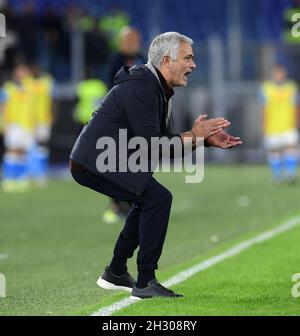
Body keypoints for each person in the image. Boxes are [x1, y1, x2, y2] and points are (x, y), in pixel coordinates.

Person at [69, 32, 241, 299]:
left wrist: (203, 141)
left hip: (105, 158)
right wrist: (196, 135)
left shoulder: (155, 87)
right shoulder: (143, 87)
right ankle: (145, 281)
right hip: (95, 160)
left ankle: (116, 272)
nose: (193, 65)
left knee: (148, 199)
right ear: (167, 60)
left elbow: (166, 147)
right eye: (188, 58)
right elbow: (154, 145)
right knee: (157, 198)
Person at [103, 26, 147, 224]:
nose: (132, 43)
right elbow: (111, 87)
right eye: (128, 39)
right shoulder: (114, 60)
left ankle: (133, 203)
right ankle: (115, 204)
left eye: (134, 39)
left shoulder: (143, 59)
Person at [259, 64, 300, 183]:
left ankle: (290, 173)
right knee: (273, 150)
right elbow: (263, 108)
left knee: (291, 147)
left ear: (284, 74)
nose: (279, 76)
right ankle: (277, 176)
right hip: (272, 125)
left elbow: (296, 106)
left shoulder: (291, 87)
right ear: (273, 74)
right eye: (277, 73)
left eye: (281, 73)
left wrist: (296, 121)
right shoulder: (266, 88)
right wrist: (263, 124)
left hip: (288, 124)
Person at [1, 63, 35, 192]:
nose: (23, 75)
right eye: (21, 72)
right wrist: (5, 124)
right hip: (13, 124)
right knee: (12, 150)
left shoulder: (29, 89)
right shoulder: (8, 88)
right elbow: (3, 106)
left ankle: (21, 177)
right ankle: (9, 178)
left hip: (26, 124)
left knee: (23, 151)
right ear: (15, 74)